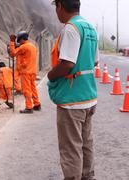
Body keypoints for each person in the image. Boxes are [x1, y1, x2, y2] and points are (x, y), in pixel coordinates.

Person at [48, 0, 99, 179]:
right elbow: (95, 61)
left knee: (71, 149)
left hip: (72, 100)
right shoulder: (90, 28)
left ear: (60, 5)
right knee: (86, 144)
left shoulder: (71, 29)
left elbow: (67, 63)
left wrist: (50, 76)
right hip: (88, 97)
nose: (56, 12)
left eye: (56, 7)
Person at [9, 31, 41, 114]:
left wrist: (12, 42)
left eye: (19, 40)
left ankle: (29, 107)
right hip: (32, 71)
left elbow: (12, 54)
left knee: (26, 90)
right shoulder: (32, 46)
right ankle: (37, 104)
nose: (19, 42)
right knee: (33, 89)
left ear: (22, 39)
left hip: (25, 72)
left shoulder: (24, 47)